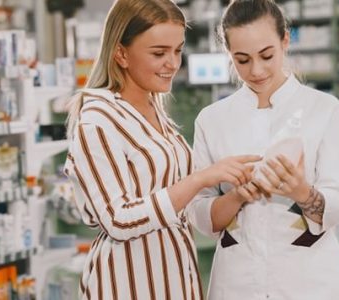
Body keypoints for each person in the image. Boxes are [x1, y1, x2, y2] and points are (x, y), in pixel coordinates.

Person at [63, 0, 260, 299]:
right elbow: (117, 219)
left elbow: (176, 202)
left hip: (174, 280)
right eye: (159, 53)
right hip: (128, 286)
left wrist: (237, 192)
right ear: (121, 53)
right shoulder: (98, 121)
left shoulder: (154, 110)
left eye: (177, 50)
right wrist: (199, 179)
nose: (173, 63)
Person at [187, 0, 339, 299]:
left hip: (309, 281)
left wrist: (300, 191)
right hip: (238, 283)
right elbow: (199, 214)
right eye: (242, 59)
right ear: (228, 54)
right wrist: (238, 195)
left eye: (266, 55)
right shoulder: (211, 120)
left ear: (285, 40)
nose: (256, 70)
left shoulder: (323, 109)